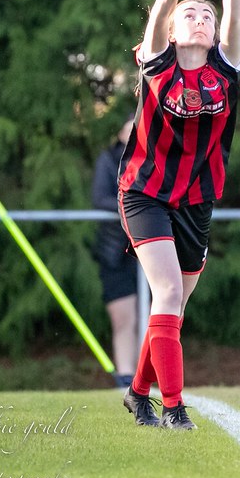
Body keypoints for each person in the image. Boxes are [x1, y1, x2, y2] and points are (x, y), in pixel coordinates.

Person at [118, 0, 240, 431]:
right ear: (172, 30)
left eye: (207, 16)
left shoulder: (225, 68)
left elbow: (234, 14)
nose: (200, 20)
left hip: (197, 199)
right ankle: (174, 408)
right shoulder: (157, 62)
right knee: (165, 291)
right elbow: (160, 17)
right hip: (145, 192)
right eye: (190, 14)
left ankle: (137, 393)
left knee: (174, 305)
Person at [91, 114, 139, 388]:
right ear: (120, 134)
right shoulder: (109, 160)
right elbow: (100, 199)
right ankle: (126, 377)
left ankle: (149, 375)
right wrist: (134, 206)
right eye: (130, 129)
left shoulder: (159, 157)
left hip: (150, 248)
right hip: (116, 251)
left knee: (154, 316)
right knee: (124, 318)